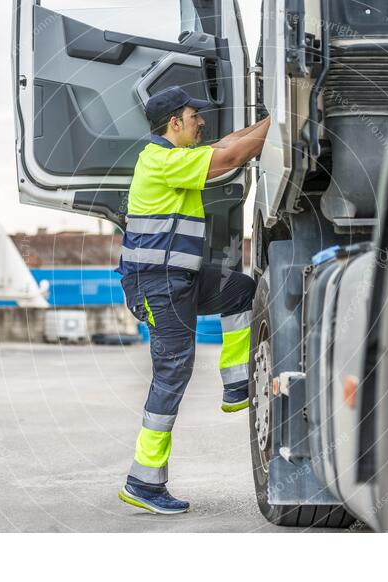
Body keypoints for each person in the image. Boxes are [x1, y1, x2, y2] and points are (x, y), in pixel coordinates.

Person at [116, 85, 270, 514]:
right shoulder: (162, 161)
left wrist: (274, 115)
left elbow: (226, 144)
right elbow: (232, 158)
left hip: (177, 280)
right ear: (174, 124)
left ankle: (237, 381)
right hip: (156, 285)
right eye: (193, 115)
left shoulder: (175, 155)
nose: (201, 121)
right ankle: (143, 481)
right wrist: (283, 125)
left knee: (240, 290)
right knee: (173, 372)